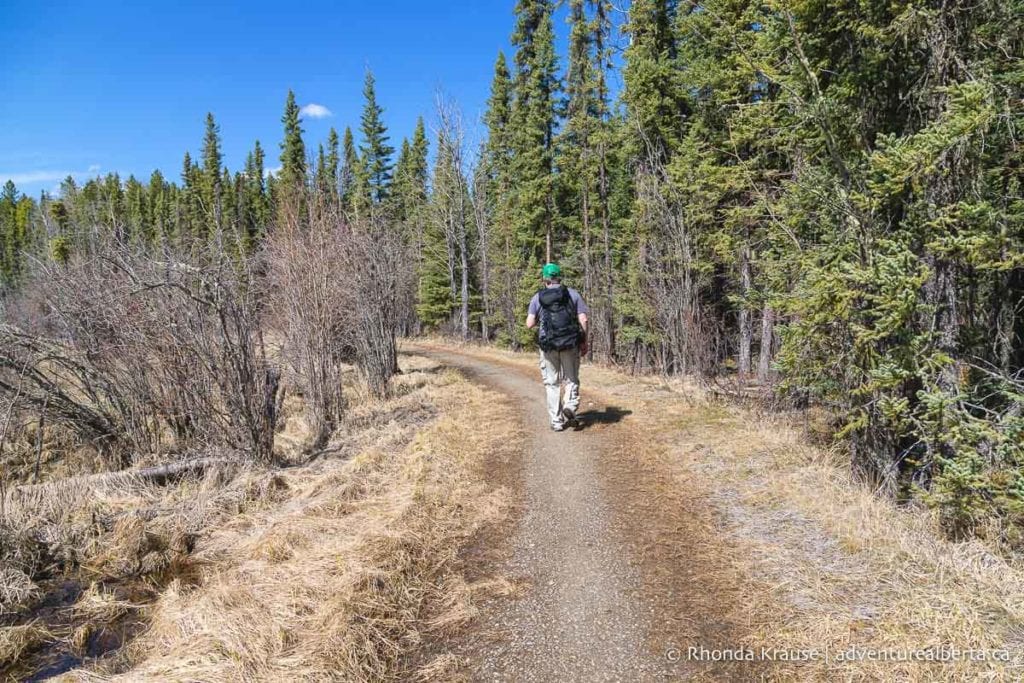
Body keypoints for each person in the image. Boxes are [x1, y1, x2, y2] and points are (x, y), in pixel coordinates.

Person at [525, 262, 589, 431]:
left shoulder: (537, 297)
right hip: (570, 343)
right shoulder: (573, 294)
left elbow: (529, 324)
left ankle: (556, 421)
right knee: (571, 378)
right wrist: (584, 340)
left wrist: (541, 318)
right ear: (559, 277)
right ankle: (570, 404)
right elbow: (583, 319)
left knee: (552, 383)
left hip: (548, 346)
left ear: (545, 279)